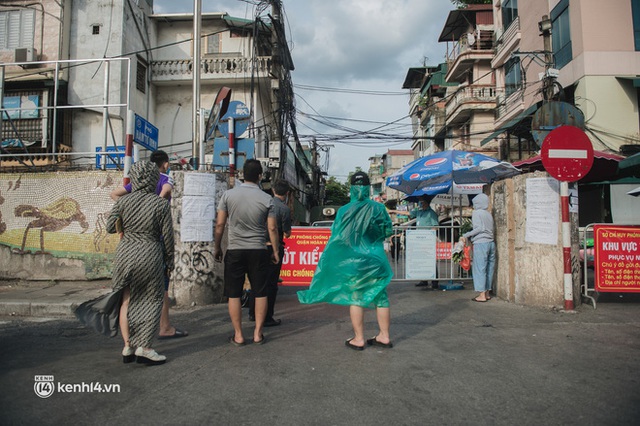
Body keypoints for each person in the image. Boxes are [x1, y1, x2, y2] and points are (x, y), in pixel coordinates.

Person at [298, 171, 394, 351]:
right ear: (367, 188)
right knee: (381, 296)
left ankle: (359, 339)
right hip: (375, 259)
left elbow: (338, 237)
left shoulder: (344, 211)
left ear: (351, 188)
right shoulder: (379, 208)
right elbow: (387, 231)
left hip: (355, 261)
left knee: (356, 297)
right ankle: (385, 336)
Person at [110, 149, 188, 340]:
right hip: (154, 245)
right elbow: (165, 194)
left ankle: (128, 343)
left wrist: (130, 212)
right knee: (159, 291)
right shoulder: (165, 179)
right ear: (166, 164)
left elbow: (114, 194)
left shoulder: (136, 185)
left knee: (128, 296)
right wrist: (151, 209)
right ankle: (162, 329)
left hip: (127, 249)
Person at [107, 161, 175, 365]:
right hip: (150, 253)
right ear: (153, 178)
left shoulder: (123, 202)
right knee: (152, 299)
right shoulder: (160, 204)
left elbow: (110, 227)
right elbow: (168, 238)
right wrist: (170, 261)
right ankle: (144, 347)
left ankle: (127, 345)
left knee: (126, 300)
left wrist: (125, 227)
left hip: (125, 253)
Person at [214, 159, 280, 346]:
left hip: (235, 250)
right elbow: (272, 228)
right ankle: (258, 334)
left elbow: (220, 224)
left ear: (243, 175)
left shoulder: (228, 195)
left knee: (234, 293)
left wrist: (217, 247)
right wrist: (275, 251)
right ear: (260, 176)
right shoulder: (267, 199)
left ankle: (239, 335)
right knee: (260, 292)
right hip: (258, 250)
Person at [248, 179, 292, 327]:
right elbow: (287, 233)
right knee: (271, 284)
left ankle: (253, 313)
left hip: (256, 246)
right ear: (287, 193)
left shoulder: (262, 203)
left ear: (273, 190)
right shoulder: (284, 209)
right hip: (273, 247)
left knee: (257, 281)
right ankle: (267, 317)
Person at [392, 195, 439, 288]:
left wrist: (430, 238)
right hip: (418, 240)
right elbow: (407, 213)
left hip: (427, 240)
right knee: (422, 260)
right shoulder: (418, 212)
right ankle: (423, 280)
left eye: (421, 200)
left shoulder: (431, 213)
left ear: (425, 202)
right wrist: (393, 211)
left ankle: (435, 281)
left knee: (430, 260)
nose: (419, 202)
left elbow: (435, 226)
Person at [460, 193, 495, 303]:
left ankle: (481, 295)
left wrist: (466, 235)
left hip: (481, 243)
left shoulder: (476, 213)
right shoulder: (488, 214)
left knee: (480, 268)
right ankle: (488, 292)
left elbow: (479, 228)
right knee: (489, 268)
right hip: (491, 243)